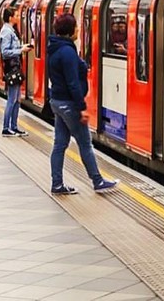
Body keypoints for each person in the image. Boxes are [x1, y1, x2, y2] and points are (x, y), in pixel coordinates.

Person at [47, 13, 119, 194]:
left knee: (60, 144)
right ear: (70, 30)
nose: (78, 29)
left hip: (57, 101)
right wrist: (82, 108)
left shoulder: (54, 48)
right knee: (85, 143)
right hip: (69, 104)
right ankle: (97, 180)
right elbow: (72, 83)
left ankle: (57, 184)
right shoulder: (67, 52)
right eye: (76, 27)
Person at [0, 6, 32, 137]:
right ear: (10, 17)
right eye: (16, 16)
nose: (18, 18)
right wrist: (20, 51)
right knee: (12, 99)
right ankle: (6, 128)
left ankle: (14, 126)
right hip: (12, 68)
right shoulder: (6, 32)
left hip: (16, 67)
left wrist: (21, 47)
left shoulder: (11, 31)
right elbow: (5, 52)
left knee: (17, 99)